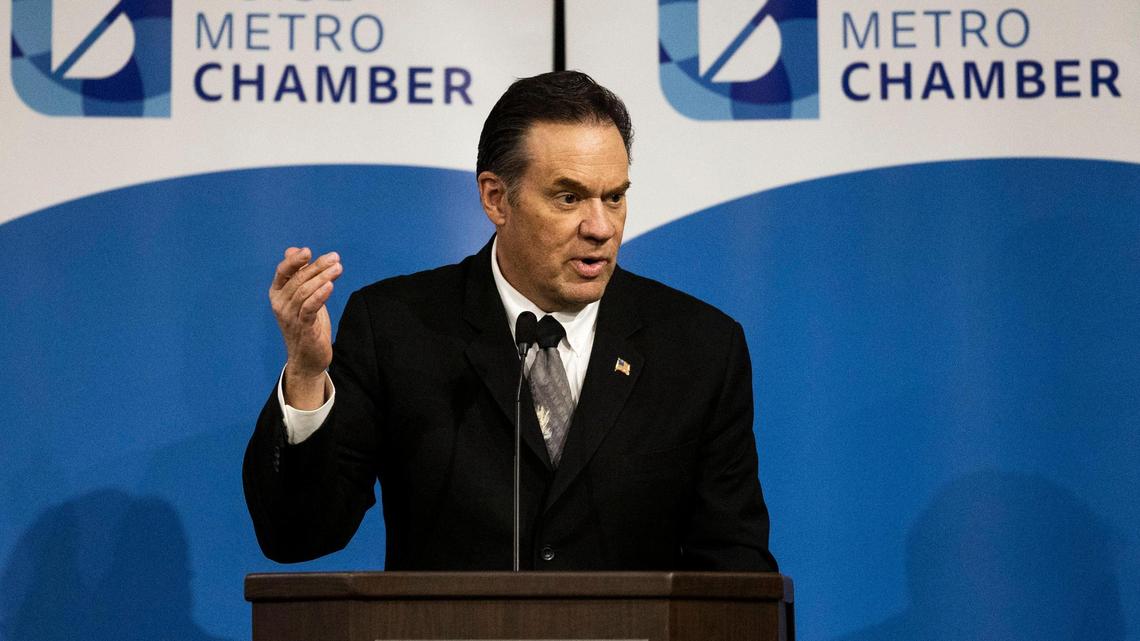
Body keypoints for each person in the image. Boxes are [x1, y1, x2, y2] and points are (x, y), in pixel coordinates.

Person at [243, 70, 777, 571]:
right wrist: (309, 377)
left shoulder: (699, 346)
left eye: (614, 197)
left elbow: (734, 565)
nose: (600, 226)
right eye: (568, 197)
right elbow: (298, 535)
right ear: (497, 198)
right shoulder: (397, 327)